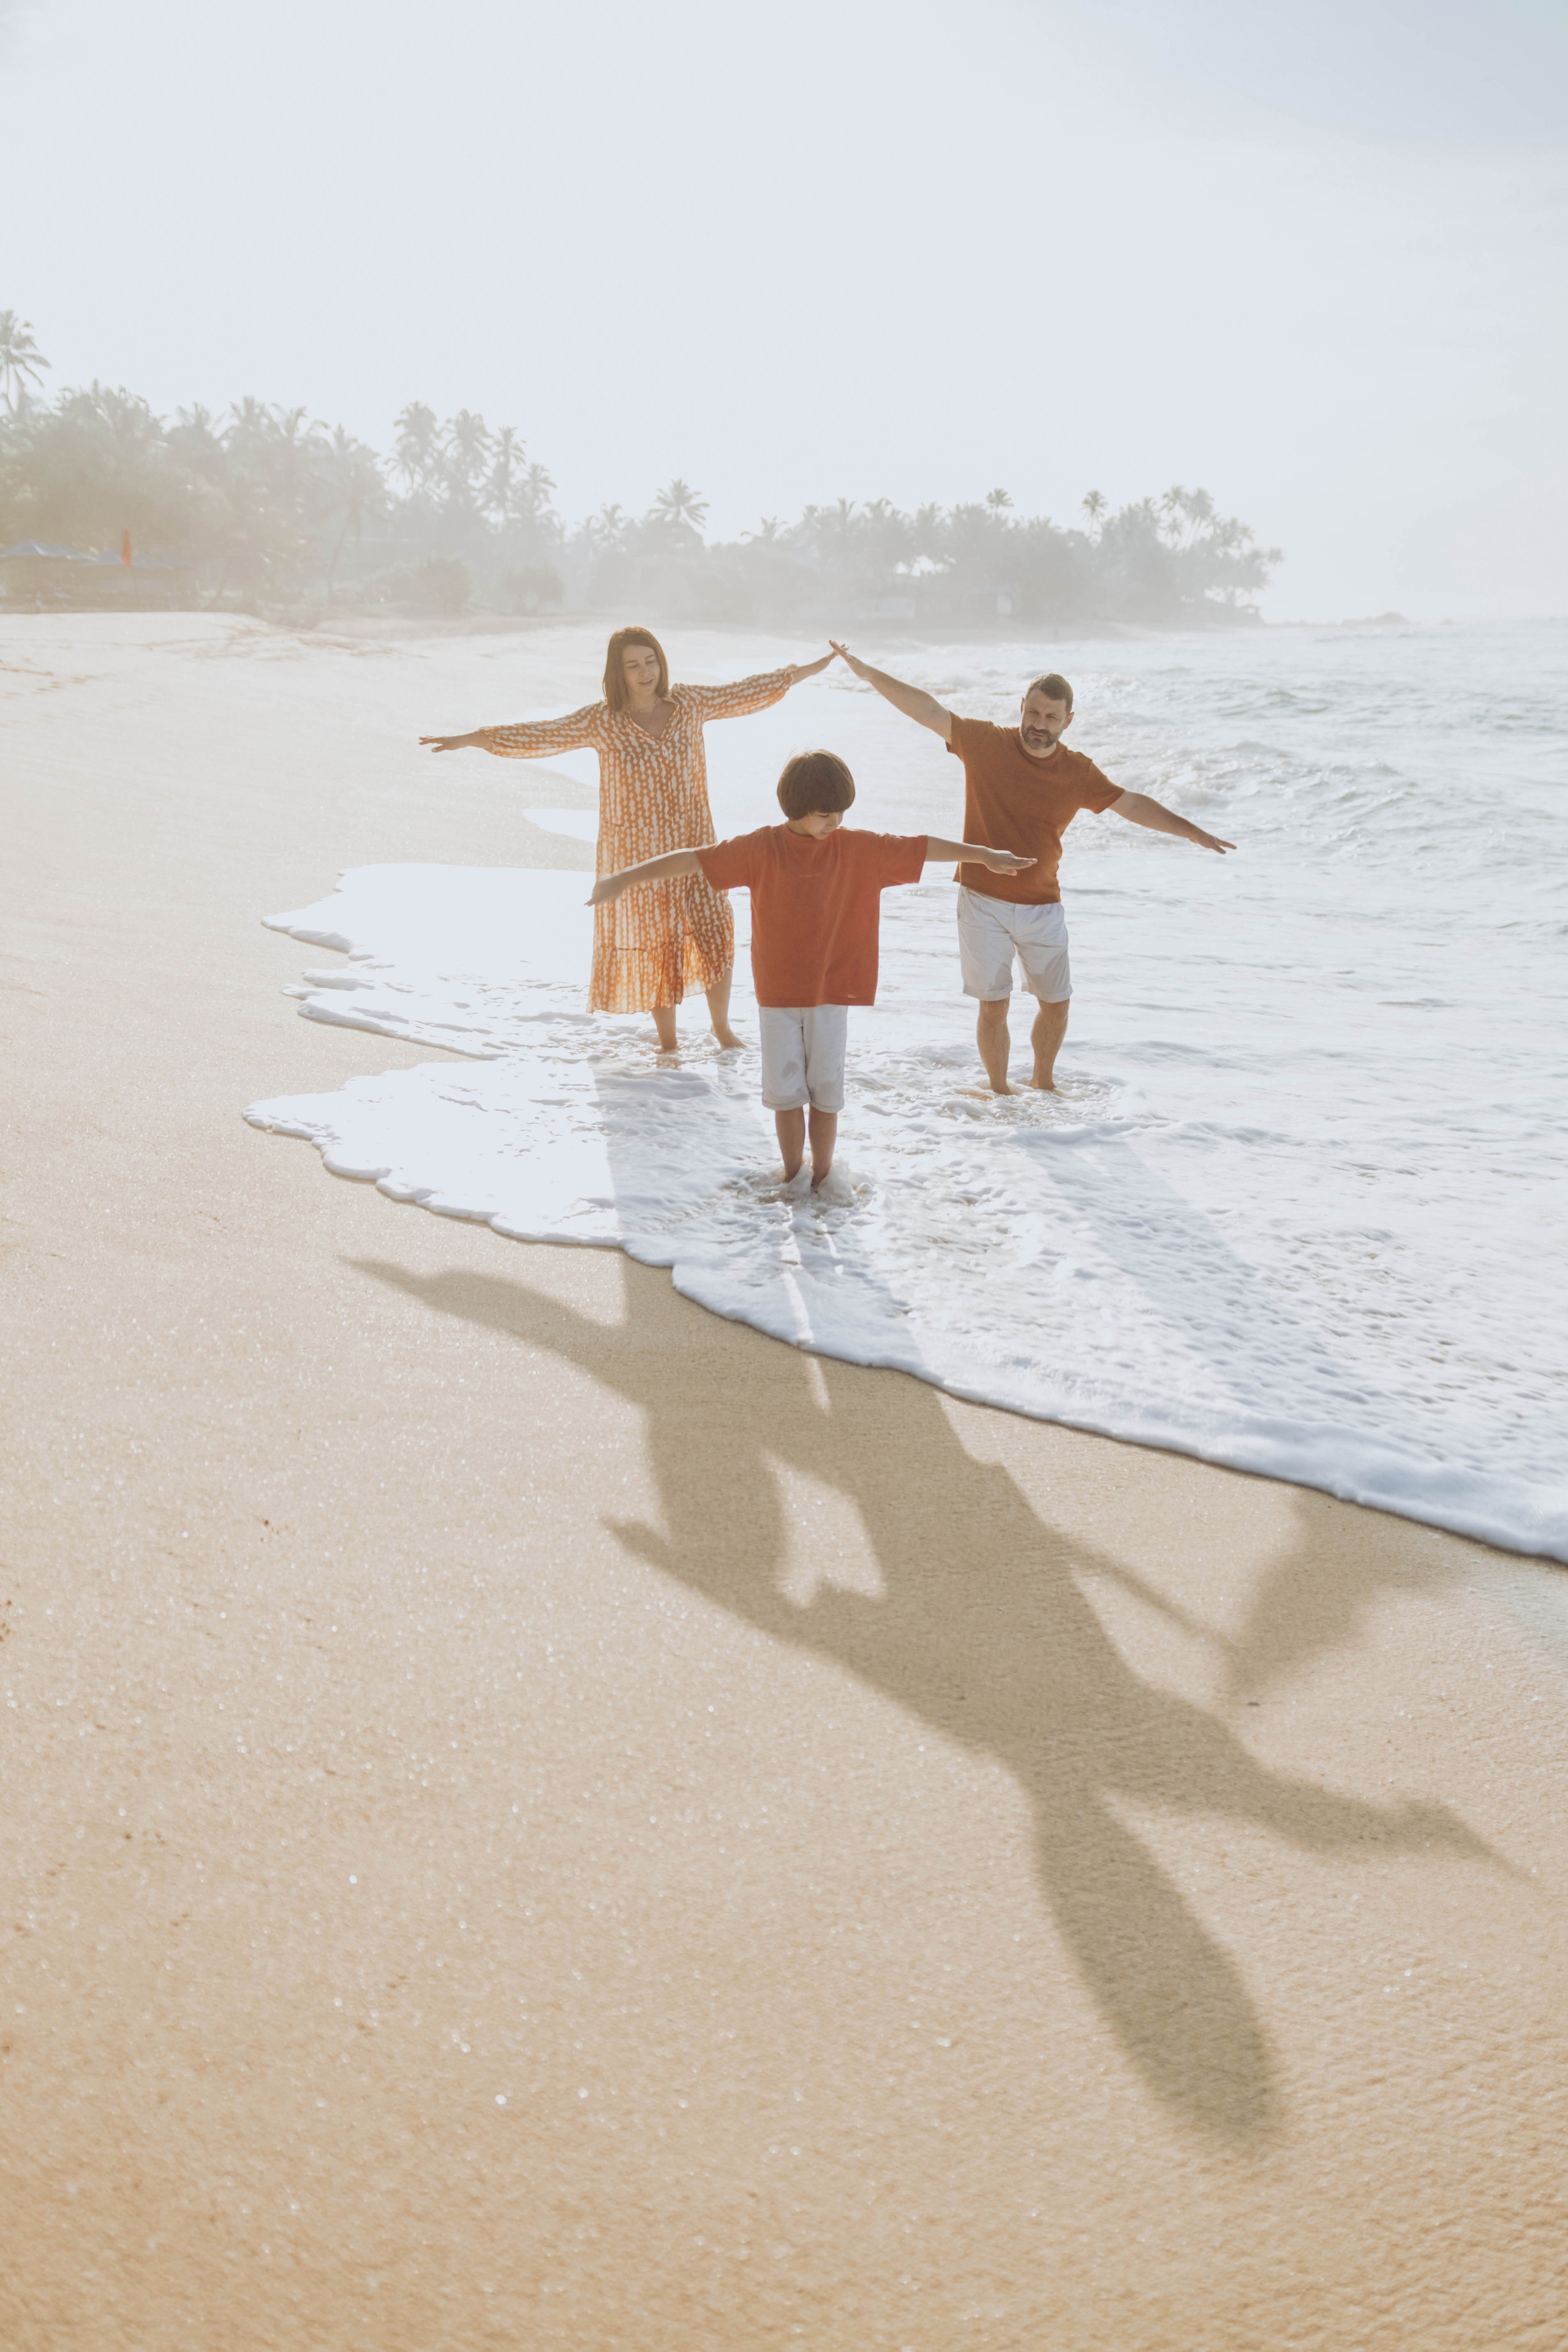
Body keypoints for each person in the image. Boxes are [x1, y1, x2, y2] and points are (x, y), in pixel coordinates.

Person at [587, 750, 1032, 1189]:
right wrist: (623, 878)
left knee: (826, 1095)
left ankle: (822, 1178)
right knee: (784, 1097)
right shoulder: (760, 848)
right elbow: (692, 858)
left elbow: (922, 847)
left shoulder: (859, 848)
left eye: (840, 812)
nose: (835, 822)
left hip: (832, 995)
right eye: (825, 815)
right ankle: (792, 1178)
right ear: (796, 808)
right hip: (777, 997)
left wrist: (982, 854)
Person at [828, 646, 1235, 1094]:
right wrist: (869, 674)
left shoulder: (1078, 772)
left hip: (1043, 904)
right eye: (1034, 712)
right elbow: (927, 710)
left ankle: (1043, 1085)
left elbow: (1132, 805)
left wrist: (1191, 831)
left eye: (1052, 717)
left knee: (1056, 1004)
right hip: (982, 900)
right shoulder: (985, 742)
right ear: (1022, 707)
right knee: (993, 1006)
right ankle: (1000, 1093)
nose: (1040, 724)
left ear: (1068, 721)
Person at [421, 627, 834, 1052]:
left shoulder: (690, 703)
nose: (645, 672)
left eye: (650, 661)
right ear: (617, 673)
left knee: (714, 931)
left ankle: (722, 1030)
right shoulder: (602, 721)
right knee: (656, 943)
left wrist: (811, 669)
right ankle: (669, 1043)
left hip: (696, 842)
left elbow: (746, 692)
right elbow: (541, 734)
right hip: (637, 852)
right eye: (633, 665)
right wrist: (469, 739)